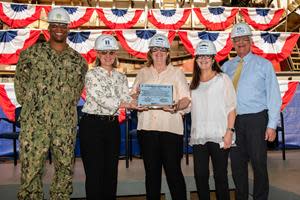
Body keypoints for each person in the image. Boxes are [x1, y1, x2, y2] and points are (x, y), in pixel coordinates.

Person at [14, 7, 88, 200]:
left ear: (68, 29)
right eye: (55, 25)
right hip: (34, 124)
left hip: (64, 124)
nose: (59, 29)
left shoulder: (78, 61)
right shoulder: (31, 55)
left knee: (64, 170)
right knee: (31, 170)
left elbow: (76, 91)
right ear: (49, 27)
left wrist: (60, 107)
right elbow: (20, 85)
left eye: (63, 25)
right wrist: (34, 107)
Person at [222, 22, 282, 200]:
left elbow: (273, 96)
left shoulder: (264, 65)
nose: (240, 43)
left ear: (250, 41)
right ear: (232, 43)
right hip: (233, 122)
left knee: (258, 164)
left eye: (244, 39)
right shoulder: (226, 67)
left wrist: (271, 125)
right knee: (237, 166)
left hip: (257, 120)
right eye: (237, 40)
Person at [131, 34, 190, 200]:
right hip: (147, 129)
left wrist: (175, 106)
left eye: (162, 50)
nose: (158, 53)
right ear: (150, 53)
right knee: (151, 175)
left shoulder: (177, 73)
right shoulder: (142, 73)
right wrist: (136, 98)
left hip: (170, 129)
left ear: (168, 53)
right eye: (155, 50)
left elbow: (186, 99)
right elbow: (134, 96)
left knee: (174, 174)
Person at [79, 34, 135, 200]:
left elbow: (127, 97)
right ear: (98, 54)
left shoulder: (121, 77)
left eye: (111, 52)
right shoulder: (91, 75)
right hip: (92, 125)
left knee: (111, 171)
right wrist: (128, 104)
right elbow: (101, 99)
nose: (108, 56)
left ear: (116, 54)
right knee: (94, 172)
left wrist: (143, 97)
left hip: (112, 126)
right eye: (104, 53)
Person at [189, 40, 236, 200]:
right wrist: (174, 106)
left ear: (213, 58)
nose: (203, 59)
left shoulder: (223, 79)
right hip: (199, 137)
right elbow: (187, 108)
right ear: (195, 59)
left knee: (220, 177)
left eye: (207, 56)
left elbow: (231, 108)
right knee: (200, 177)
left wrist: (229, 132)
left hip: (220, 136)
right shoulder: (193, 84)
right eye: (200, 56)